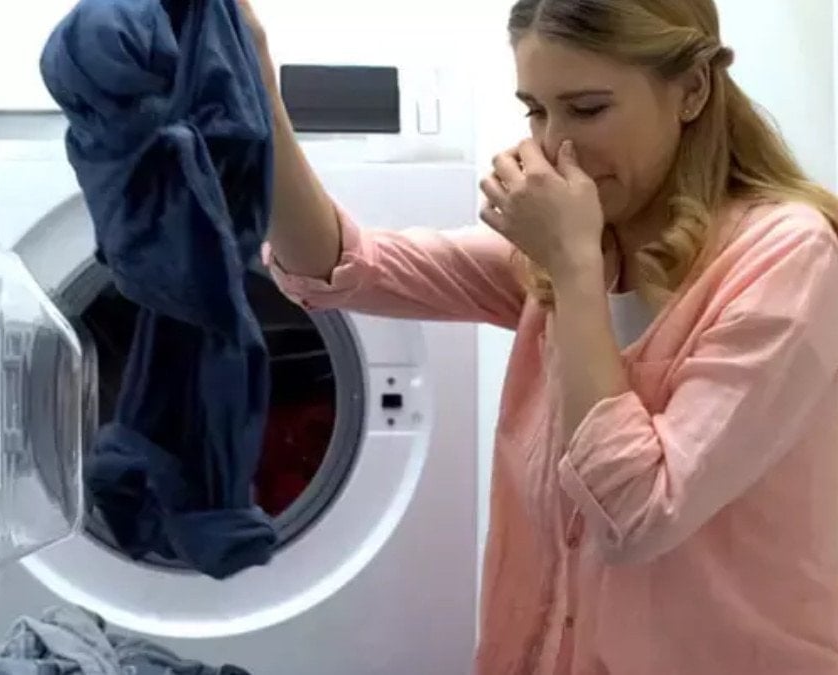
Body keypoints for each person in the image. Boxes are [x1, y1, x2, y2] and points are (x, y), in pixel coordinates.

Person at [238, 0, 838, 672]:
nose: (555, 146)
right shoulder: (578, 244)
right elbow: (340, 266)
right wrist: (258, 87)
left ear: (692, 90)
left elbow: (637, 514)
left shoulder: (788, 257)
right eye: (535, 111)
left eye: (587, 109)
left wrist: (573, 266)